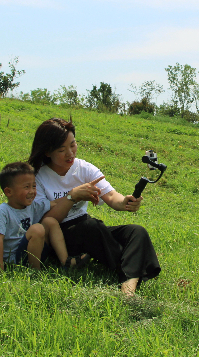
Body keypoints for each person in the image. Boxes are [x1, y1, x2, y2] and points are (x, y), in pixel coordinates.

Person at [29, 118, 161, 296]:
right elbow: (48, 220)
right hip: (58, 236)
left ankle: (128, 285)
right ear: (47, 152)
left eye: (73, 144)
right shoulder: (37, 177)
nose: (70, 153)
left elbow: (112, 196)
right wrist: (72, 197)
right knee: (92, 227)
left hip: (87, 228)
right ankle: (132, 266)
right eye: (61, 150)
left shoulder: (84, 168)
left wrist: (125, 202)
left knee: (136, 232)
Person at [0, 161, 90, 274]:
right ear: (9, 191)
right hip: (16, 260)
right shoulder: (3, 211)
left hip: (35, 251)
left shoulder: (33, 206)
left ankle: (66, 262)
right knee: (37, 228)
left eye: (34, 186)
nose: (32, 191)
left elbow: (54, 203)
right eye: (26, 187)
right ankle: (35, 272)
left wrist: (75, 195)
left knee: (50, 221)